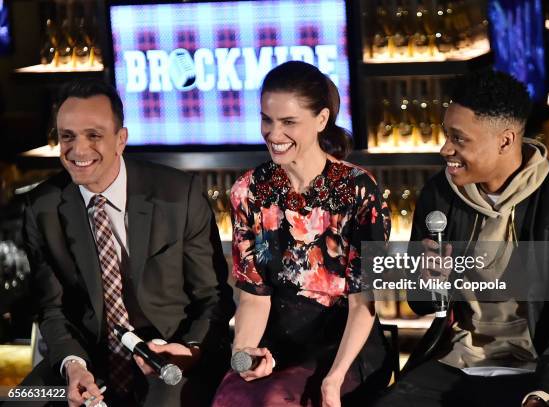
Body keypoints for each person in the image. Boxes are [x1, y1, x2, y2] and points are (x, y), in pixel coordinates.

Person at [373, 69, 549, 407]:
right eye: (445, 135)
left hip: (540, 364)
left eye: (459, 139)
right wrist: (427, 280)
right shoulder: (440, 194)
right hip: (457, 358)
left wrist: (544, 392)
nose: (445, 149)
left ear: (505, 140)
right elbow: (421, 303)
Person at [11, 79, 235, 407]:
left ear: (121, 140)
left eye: (94, 136)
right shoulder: (42, 208)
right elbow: (52, 309)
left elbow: (213, 298)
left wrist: (190, 350)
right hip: (88, 361)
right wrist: (74, 366)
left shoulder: (178, 194)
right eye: (67, 137)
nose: (78, 151)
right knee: (23, 401)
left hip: (172, 358)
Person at [211, 61, 393, 407]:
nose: (274, 134)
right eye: (267, 119)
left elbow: (362, 303)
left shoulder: (358, 189)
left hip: (345, 350)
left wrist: (333, 379)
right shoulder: (249, 190)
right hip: (278, 348)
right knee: (229, 398)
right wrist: (245, 353)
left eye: (288, 122)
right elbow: (253, 296)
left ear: (321, 120)